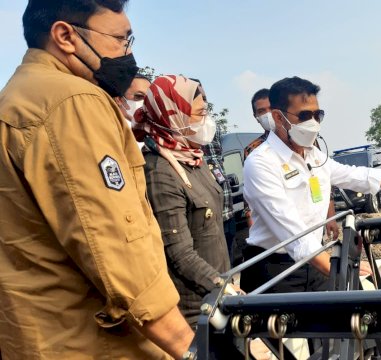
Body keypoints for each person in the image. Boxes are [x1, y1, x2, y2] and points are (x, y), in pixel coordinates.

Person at [0, 1, 194, 359]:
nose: (128, 53)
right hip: (93, 341)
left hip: (40, 335)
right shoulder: (72, 100)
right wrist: (188, 346)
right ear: (65, 36)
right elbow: (117, 243)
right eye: (121, 39)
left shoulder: (17, 98)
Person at [241, 76, 381, 294]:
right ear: (278, 117)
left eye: (317, 115)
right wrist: (340, 270)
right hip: (276, 271)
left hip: (315, 259)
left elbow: (358, 176)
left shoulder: (314, 155)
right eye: (304, 115)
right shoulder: (261, 162)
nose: (313, 123)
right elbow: (293, 234)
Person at [132, 75, 236, 329]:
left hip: (217, 295)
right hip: (193, 310)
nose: (206, 121)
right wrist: (222, 286)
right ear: (173, 116)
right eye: (199, 114)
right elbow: (178, 252)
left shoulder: (192, 158)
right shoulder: (160, 172)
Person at [245, 88, 341, 239]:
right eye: (262, 111)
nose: (268, 114)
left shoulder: (306, 139)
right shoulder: (253, 151)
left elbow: (322, 179)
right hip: (281, 233)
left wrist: (330, 217)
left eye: (271, 108)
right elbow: (252, 202)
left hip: (312, 222)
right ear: (256, 116)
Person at [202, 121, 237, 265]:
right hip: (211, 220)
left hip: (227, 214)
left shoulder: (212, 126)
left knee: (228, 264)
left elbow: (218, 159)